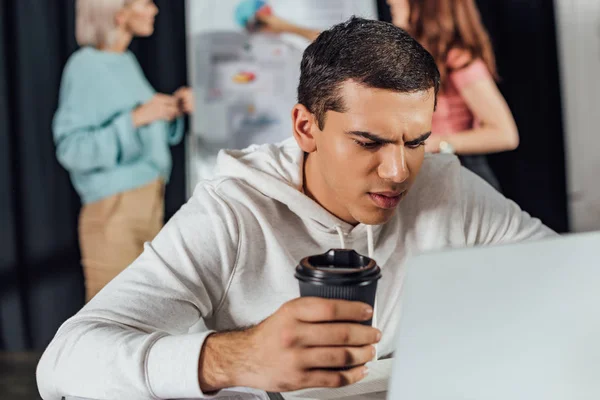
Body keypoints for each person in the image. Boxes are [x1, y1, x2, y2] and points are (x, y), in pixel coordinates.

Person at [37, 18, 554, 399]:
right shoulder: (232, 213)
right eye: (369, 142)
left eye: (415, 141)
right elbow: (63, 362)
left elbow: (568, 275)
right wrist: (232, 358)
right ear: (306, 128)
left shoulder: (443, 184)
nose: (399, 171)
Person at [260, 0, 518, 191]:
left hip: (460, 170)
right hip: (420, 166)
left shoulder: (458, 58)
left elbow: (505, 134)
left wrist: (433, 143)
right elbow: (339, 48)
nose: (390, 1)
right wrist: (284, 27)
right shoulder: (402, 52)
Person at [53, 0, 194, 301]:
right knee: (110, 323)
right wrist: (138, 117)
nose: (155, 10)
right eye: (145, 3)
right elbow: (72, 149)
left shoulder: (124, 60)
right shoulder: (85, 65)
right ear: (119, 13)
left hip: (149, 205)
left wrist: (170, 109)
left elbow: (140, 126)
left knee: (146, 315)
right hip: (113, 213)